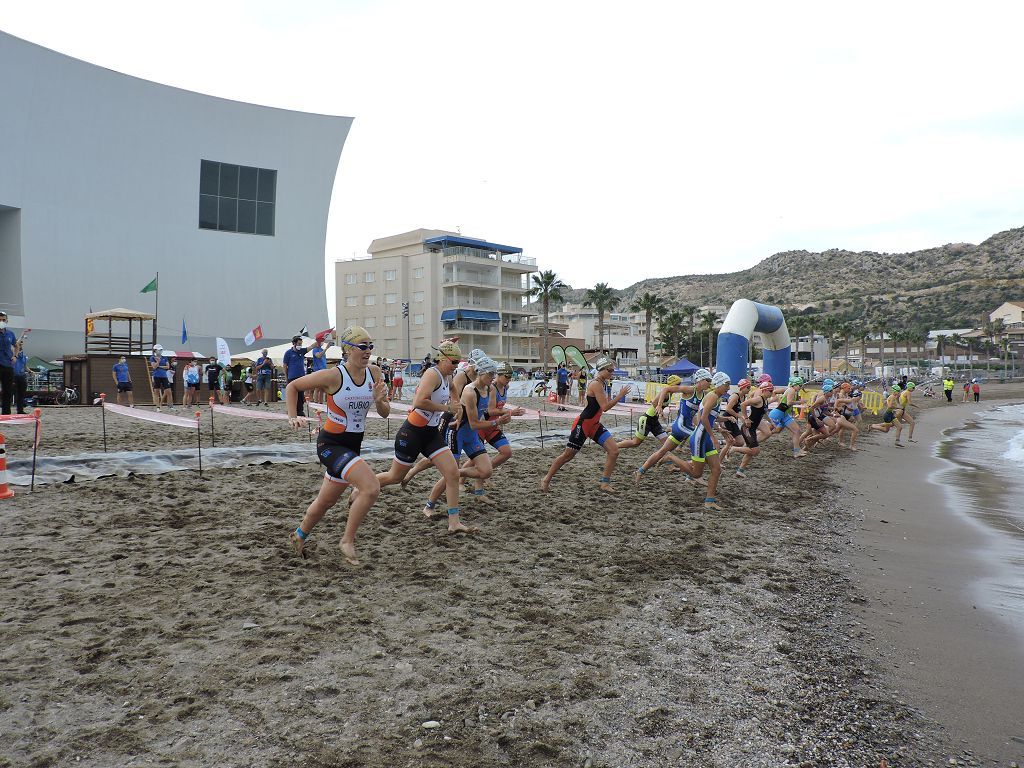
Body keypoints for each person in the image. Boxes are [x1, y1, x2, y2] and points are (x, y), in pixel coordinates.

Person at [286, 325, 389, 566]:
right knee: (371, 487)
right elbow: (293, 387)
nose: (368, 351)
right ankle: (347, 541)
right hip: (331, 445)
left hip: (353, 446)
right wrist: (293, 415)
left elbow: (384, 413)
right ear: (348, 349)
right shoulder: (334, 376)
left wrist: (379, 400)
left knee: (325, 502)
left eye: (371, 346)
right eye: (363, 346)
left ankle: (299, 536)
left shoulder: (374, 373)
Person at [375, 340, 477, 534]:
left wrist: (457, 405)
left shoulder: (448, 376)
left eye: (458, 362)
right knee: (395, 477)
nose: (456, 366)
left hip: (430, 433)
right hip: (412, 431)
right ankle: (362, 487)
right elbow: (418, 402)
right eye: (453, 362)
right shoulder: (432, 374)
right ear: (442, 358)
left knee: (453, 473)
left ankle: (454, 522)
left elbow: (454, 389)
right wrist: (447, 408)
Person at [422, 357, 514, 512]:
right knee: (449, 477)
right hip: (457, 433)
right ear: (481, 372)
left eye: (494, 373)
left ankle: (458, 474)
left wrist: (502, 416)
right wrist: (497, 422)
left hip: (471, 435)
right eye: (491, 373)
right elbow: (474, 423)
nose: (493, 377)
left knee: (486, 471)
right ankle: (429, 505)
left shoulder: (490, 388)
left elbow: (487, 412)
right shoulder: (470, 391)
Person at [541, 356, 629, 495]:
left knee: (614, 451)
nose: (612, 373)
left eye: (613, 370)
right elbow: (605, 407)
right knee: (567, 456)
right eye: (610, 370)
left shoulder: (603, 382)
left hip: (594, 424)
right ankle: (546, 479)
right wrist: (620, 396)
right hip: (583, 425)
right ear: (601, 370)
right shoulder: (596, 384)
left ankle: (605, 483)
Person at [633, 369, 713, 481]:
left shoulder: (704, 395)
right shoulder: (690, 389)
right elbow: (666, 389)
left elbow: (695, 415)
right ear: (700, 380)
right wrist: (659, 405)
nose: (710, 383)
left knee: (662, 451)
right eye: (708, 380)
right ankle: (691, 475)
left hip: (684, 428)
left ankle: (640, 471)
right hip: (680, 426)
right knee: (700, 443)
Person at [465, 360, 525, 500]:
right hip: (483, 425)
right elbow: (491, 410)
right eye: (507, 377)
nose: (509, 380)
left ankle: (484, 473)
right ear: (499, 375)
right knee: (474, 460)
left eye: (511, 377)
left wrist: (506, 414)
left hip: (493, 426)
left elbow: (496, 409)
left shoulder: (506, 387)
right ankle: (463, 480)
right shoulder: (491, 388)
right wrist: (509, 412)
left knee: (506, 452)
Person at [680, 371, 732, 511]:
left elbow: (712, 418)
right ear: (720, 384)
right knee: (697, 474)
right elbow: (703, 418)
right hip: (700, 437)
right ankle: (670, 457)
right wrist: (714, 437)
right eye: (727, 384)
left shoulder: (717, 397)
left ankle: (709, 501)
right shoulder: (712, 396)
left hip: (705, 437)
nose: (728, 387)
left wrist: (726, 421)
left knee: (716, 469)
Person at [616, 374, 682, 452]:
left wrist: (661, 413)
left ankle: (667, 459)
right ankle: (614, 446)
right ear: (672, 385)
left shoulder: (670, 394)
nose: (679, 387)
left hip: (654, 421)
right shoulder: (665, 393)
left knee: (666, 443)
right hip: (646, 420)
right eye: (678, 384)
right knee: (635, 443)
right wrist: (659, 408)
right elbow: (654, 402)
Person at [766, 375, 807, 458]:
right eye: (799, 385)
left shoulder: (792, 390)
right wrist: (800, 402)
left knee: (796, 430)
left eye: (801, 385)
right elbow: (789, 403)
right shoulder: (791, 390)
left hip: (784, 414)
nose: (800, 387)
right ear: (794, 385)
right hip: (778, 413)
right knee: (766, 432)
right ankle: (753, 439)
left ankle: (797, 451)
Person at [283, 336, 308, 413]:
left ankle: (300, 411)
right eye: (299, 344)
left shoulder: (302, 351)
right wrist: (286, 377)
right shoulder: (288, 353)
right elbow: (284, 366)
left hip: (301, 377)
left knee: (300, 395)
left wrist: (319, 340)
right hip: (292, 377)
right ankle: (291, 411)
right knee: (292, 395)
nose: (300, 345)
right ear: (294, 343)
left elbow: (311, 347)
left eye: (301, 344)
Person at [309, 335, 331, 405]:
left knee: (322, 389)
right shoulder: (315, 349)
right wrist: (326, 349)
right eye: (320, 341)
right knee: (317, 388)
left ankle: (320, 402)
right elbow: (318, 356)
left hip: (324, 370)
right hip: (318, 370)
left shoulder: (321, 349)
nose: (322, 343)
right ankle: (316, 402)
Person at [149, 344, 172, 410]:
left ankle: (170, 406)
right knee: (156, 391)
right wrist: (158, 362)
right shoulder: (152, 357)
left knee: (168, 391)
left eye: (161, 350)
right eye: (159, 350)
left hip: (164, 376)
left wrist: (159, 366)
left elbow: (167, 367)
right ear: (155, 350)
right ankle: (158, 407)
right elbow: (154, 367)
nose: (160, 351)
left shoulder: (165, 357)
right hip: (156, 376)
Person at [12, 340, 28, 414]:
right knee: (16, 393)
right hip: (14, 376)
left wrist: (31, 371)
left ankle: (20, 410)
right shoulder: (13, 354)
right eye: (19, 345)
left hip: (22, 375)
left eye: (21, 345)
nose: (20, 346)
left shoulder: (24, 356)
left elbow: (25, 366)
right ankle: (10, 407)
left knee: (21, 393)